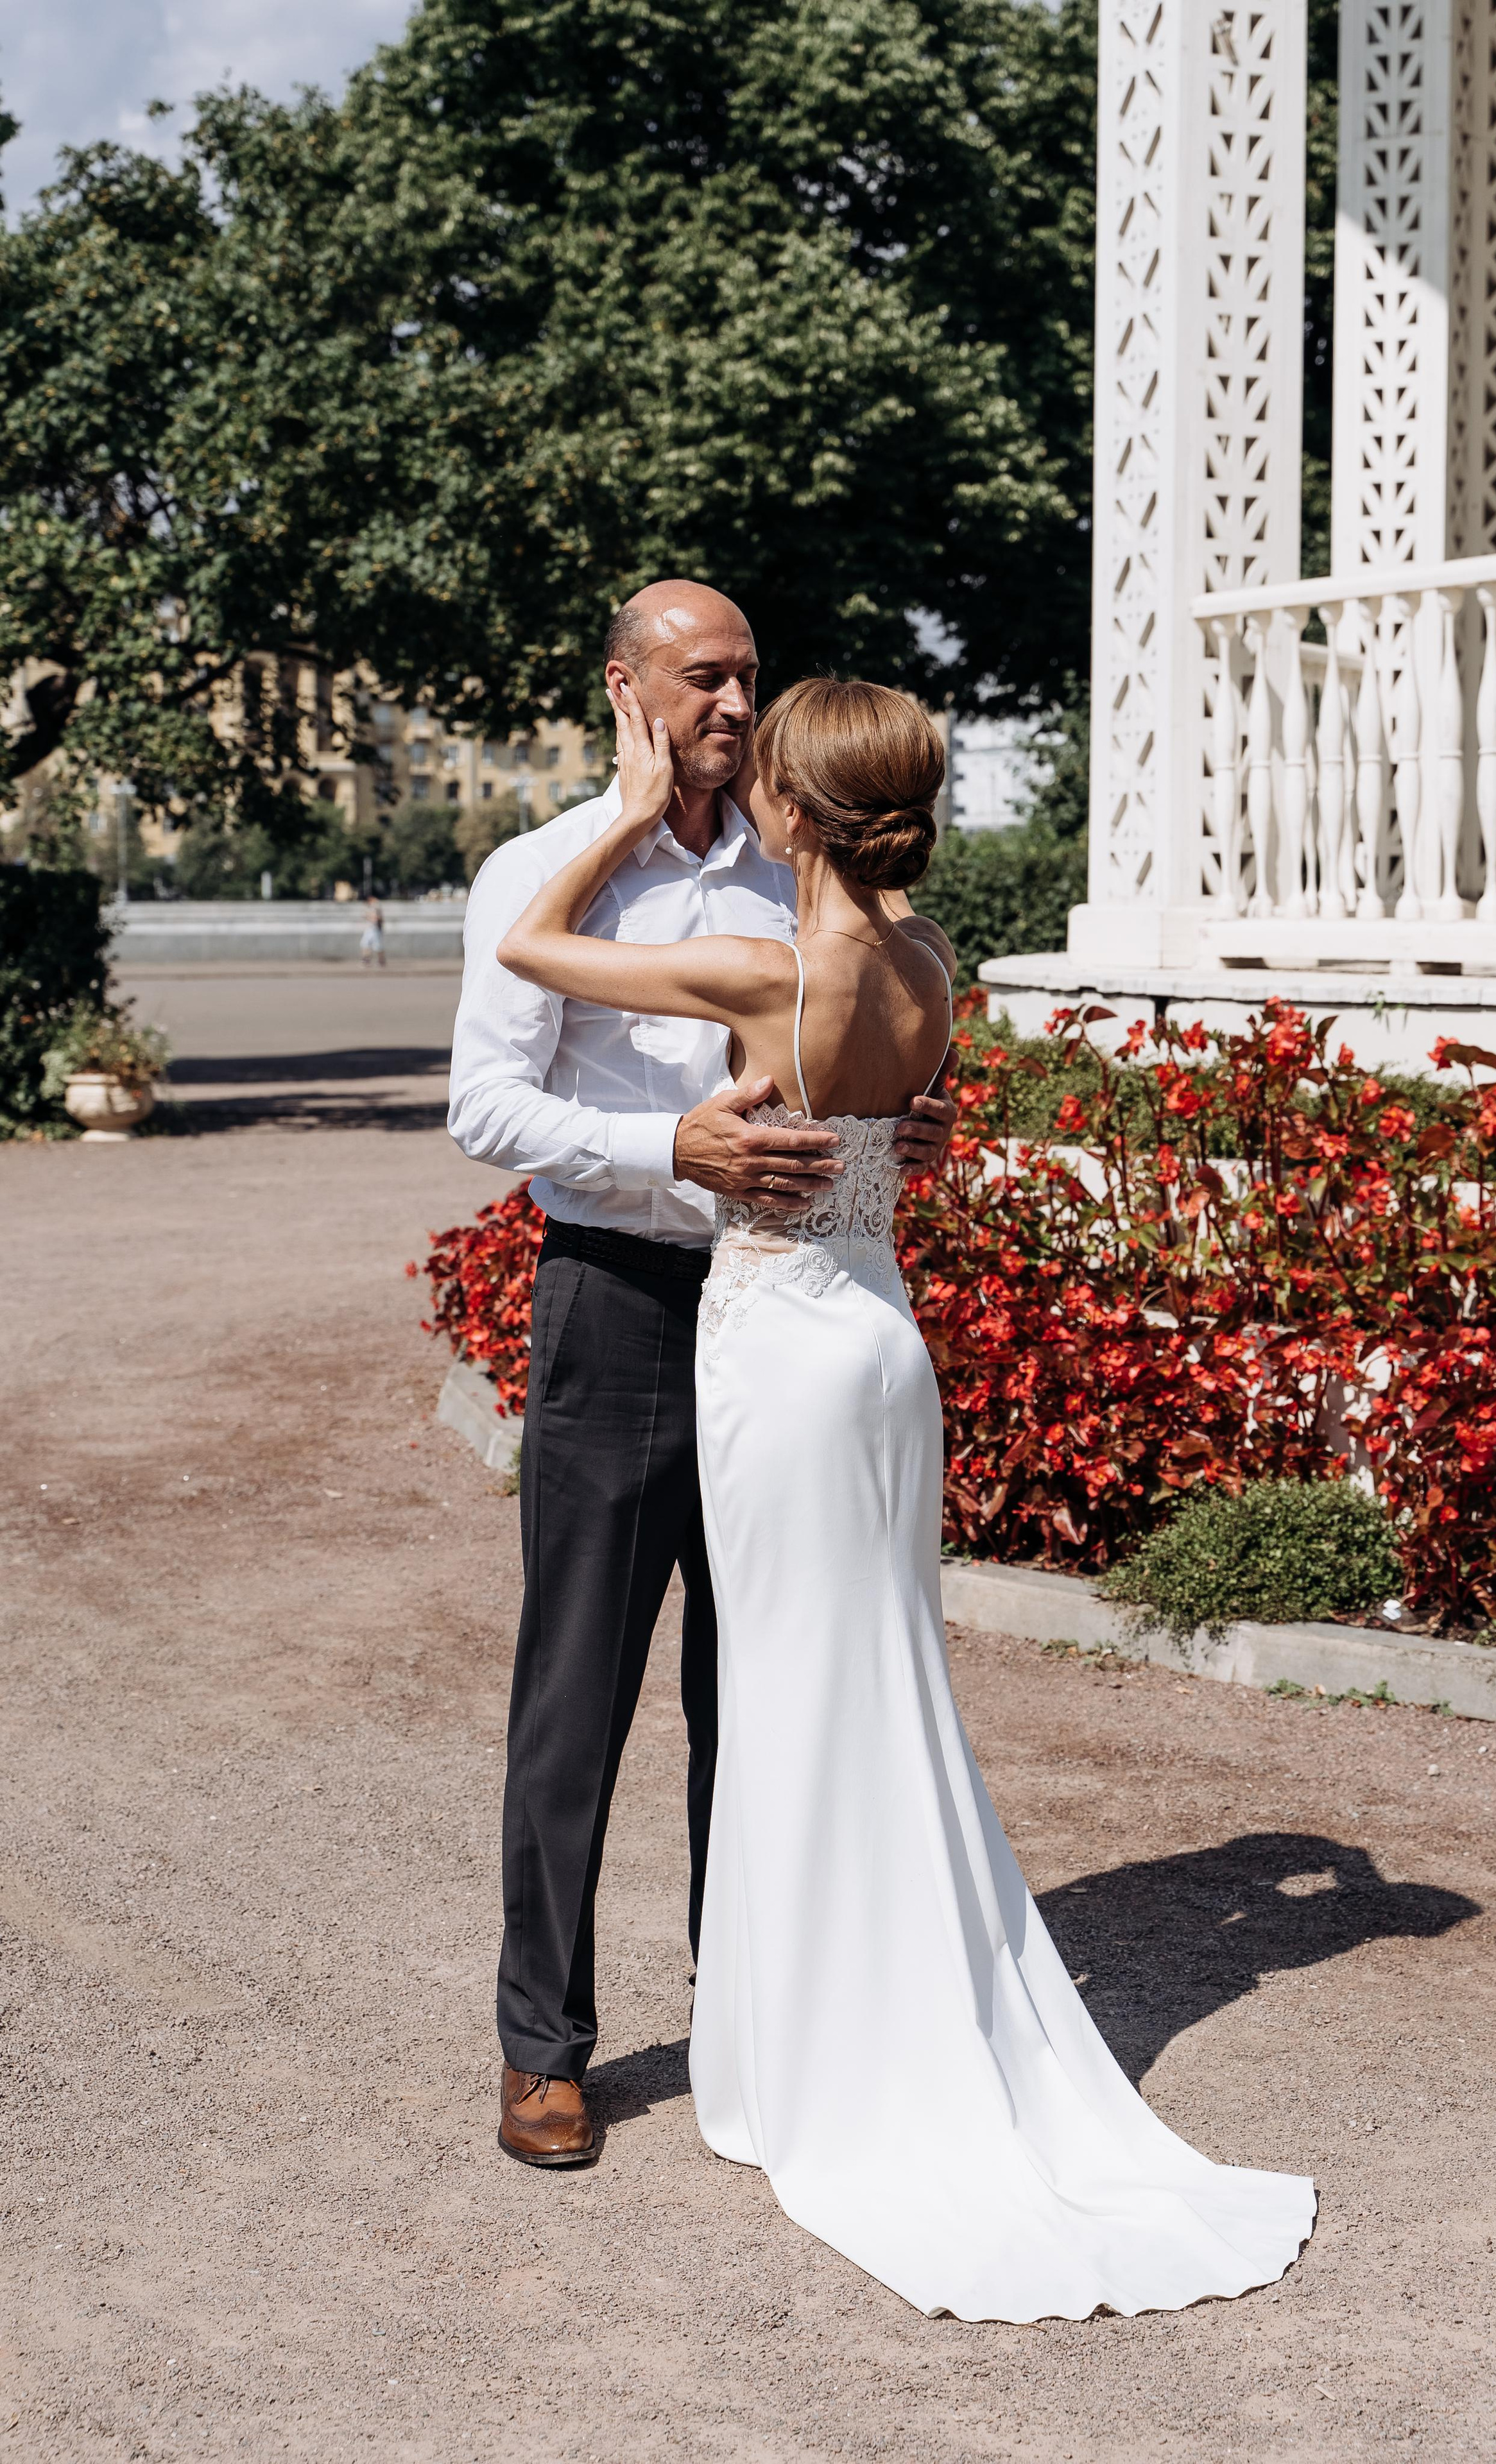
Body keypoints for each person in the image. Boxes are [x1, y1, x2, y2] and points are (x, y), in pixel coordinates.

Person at [496, 674, 1317, 2323]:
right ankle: (842, 2004)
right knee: (874, 1685)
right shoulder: (931, 963)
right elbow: (900, 1128)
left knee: (795, 1696)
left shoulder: (762, 968)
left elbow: (529, 943)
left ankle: (817, 2041)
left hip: (780, 1353)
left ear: (790, 810)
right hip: (883, 1341)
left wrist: (627, 806)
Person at [445, 583, 956, 2169]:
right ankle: (543, 2049)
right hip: (617, 1301)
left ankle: (752, 2018)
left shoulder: (794, 859)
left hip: (783, 1320)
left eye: (747, 678)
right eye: (701, 677)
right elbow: (482, 1107)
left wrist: (891, 1129)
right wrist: (663, 1144)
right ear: (627, 686)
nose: (732, 703)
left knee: (759, 1694)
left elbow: (854, 1034)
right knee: (577, 1689)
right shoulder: (540, 868)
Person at [359, 896, 386, 968]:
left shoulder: (377, 907)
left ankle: (381, 961)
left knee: (378, 946)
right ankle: (366, 960)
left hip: (375, 929)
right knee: (365, 944)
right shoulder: (369, 908)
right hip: (369, 929)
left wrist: (371, 917)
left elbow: (378, 918)